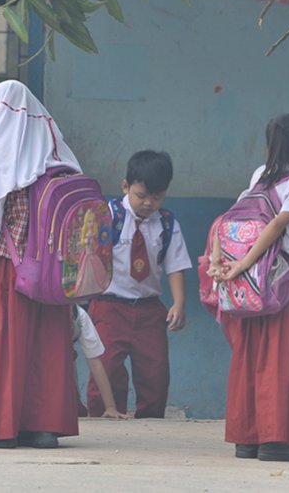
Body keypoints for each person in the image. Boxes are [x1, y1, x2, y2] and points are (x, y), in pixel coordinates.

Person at [0, 80, 82, 449]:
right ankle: (43, 427)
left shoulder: (4, 156)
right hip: (54, 271)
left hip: (8, 267)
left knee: (3, 345)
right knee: (46, 344)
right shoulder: (59, 156)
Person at [219, 114, 289, 462]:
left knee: (249, 357)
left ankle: (247, 438)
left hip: (247, 284)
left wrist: (238, 267)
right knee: (281, 359)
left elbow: (237, 218)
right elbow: (279, 225)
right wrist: (247, 263)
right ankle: (278, 439)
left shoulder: (259, 177)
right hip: (279, 280)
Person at [86, 150, 191, 419]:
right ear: (125, 186)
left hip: (149, 310)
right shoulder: (107, 216)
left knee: (155, 372)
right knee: (107, 368)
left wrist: (178, 303)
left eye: (157, 197)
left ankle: (150, 423)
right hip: (109, 307)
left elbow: (175, 265)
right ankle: (104, 418)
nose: (148, 203)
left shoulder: (167, 224)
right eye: (141, 196)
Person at [71, 305, 131, 420]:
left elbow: (95, 362)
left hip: (65, 363)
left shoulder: (81, 316)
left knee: (72, 409)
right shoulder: (40, 315)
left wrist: (110, 407)